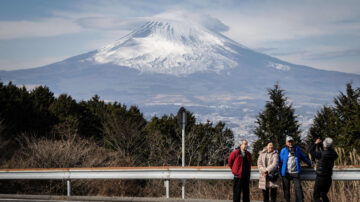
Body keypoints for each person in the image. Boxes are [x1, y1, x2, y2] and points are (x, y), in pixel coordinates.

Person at [279, 136, 312, 202]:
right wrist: (279, 169)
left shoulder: (297, 149)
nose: (290, 143)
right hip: (286, 172)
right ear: (286, 142)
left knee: (298, 188)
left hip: (295, 172)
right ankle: (287, 200)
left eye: (291, 141)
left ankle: (300, 200)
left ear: (293, 142)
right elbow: (280, 161)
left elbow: (304, 157)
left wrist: (310, 164)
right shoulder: (283, 150)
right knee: (286, 189)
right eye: (289, 142)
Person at [310, 138, 338, 202]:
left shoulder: (320, 154)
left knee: (316, 196)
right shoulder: (333, 154)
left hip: (320, 178)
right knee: (323, 194)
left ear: (324, 145)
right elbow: (331, 152)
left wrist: (315, 144)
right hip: (328, 178)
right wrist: (328, 146)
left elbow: (311, 152)